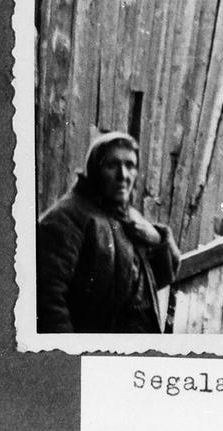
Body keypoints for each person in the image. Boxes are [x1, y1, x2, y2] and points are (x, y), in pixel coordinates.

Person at [37, 131, 180, 333]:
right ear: (95, 170)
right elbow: (48, 301)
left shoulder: (127, 216)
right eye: (112, 165)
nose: (123, 175)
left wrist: (157, 239)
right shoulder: (66, 218)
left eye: (130, 165)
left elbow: (160, 278)